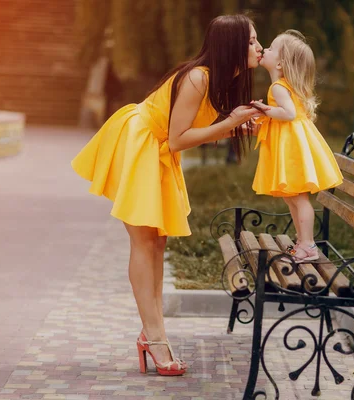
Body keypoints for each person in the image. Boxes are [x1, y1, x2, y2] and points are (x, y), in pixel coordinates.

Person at [71, 14, 263, 376]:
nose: (259, 47)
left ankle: (152, 332)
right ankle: (156, 338)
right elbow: (178, 138)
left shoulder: (221, 79)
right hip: (142, 142)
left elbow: (189, 132)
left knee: (156, 243)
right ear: (233, 45)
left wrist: (233, 126)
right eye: (252, 41)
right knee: (144, 243)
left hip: (157, 149)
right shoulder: (198, 77)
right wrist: (229, 123)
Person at [251, 30, 343, 263]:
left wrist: (264, 110)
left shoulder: (278, 88)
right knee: (292, 198)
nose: (265, 50)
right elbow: (285, 115)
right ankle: (302, 243)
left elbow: (289, 114)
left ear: (280, 63)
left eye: (270, 49)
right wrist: (265, 116)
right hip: (293, 145)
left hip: (292, 149)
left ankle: (308, 246)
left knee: (299, 199)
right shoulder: (283, 86)